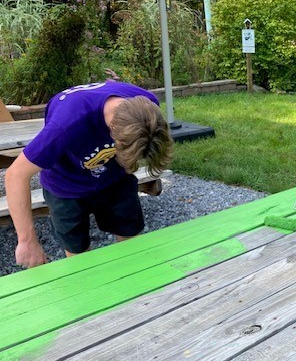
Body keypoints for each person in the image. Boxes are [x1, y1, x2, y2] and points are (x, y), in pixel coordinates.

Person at [5, 81, 174, 269]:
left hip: (115, 177)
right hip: (66, 185)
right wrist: (27, 241)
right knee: (79, 257)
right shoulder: (67, 125)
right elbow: (15, 175)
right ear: (110, 133)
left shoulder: (148, 108)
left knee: (131, 238)